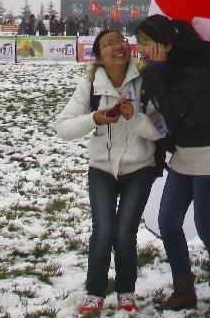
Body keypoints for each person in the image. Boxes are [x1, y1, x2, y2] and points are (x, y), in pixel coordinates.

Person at [56, 29, 165, 315]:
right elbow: (63, 127)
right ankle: (94, 292)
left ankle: (126, 292)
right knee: (103, 232)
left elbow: (161, 129)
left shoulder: (145, 84)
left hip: (138, 169)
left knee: (125, 234)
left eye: (120, 41)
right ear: (100, 56)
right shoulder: (90, 85)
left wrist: (135, 117)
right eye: (108, 44)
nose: (117, 46)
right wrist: (94, 118)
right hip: (101, 170)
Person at [136, 16, 210, 316]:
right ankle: (184, 288)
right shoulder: (163, 68)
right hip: (182, 155)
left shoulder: (191, 70)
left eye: (145, 42)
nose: (139, 48)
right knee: (168, 221)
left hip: (209, 154)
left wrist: (153, 73)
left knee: (207, 226)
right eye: (138, 41)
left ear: (166, 45)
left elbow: (171, 112)